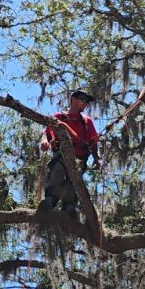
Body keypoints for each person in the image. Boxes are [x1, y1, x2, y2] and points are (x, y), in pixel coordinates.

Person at [38, 89, 99, 217]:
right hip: (61, 154)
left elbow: (93, 140)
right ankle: (50, 200)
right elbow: (47, 133)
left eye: (87, 101)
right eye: (84, 100)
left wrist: (96, 158)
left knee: (75, 181)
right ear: (73, 100)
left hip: (80, 158)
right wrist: (44, 142)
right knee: (58, 171)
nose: (86, 103)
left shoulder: (87, 121)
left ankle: (69, 207)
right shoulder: (59, 117)